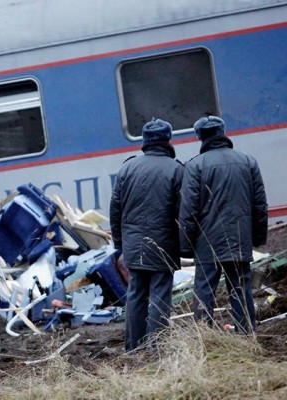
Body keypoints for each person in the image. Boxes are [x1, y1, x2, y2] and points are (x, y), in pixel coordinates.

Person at [179, 116, 268, 334]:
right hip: (239, 238)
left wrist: (185, 246)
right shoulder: (247, 161)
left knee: (204, 289)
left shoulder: (194, 166)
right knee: (240, 287)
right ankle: (246, 334)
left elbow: (188, 211)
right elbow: (259, 205)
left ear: (200, 137)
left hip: (206, 242)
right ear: (223, 132)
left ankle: (204, 335)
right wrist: (257, 238)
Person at [110, 118, 184, 352]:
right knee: (161, 294)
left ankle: (133, 347)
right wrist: (183, 246)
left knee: (135, 295)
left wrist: (120, 244)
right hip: (164, 244)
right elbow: (184, 212)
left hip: (133, 244)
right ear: (167, 140)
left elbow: (115, 210)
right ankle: (157, 347)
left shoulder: (127, 168)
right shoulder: (176, 169)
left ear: (144, 141)